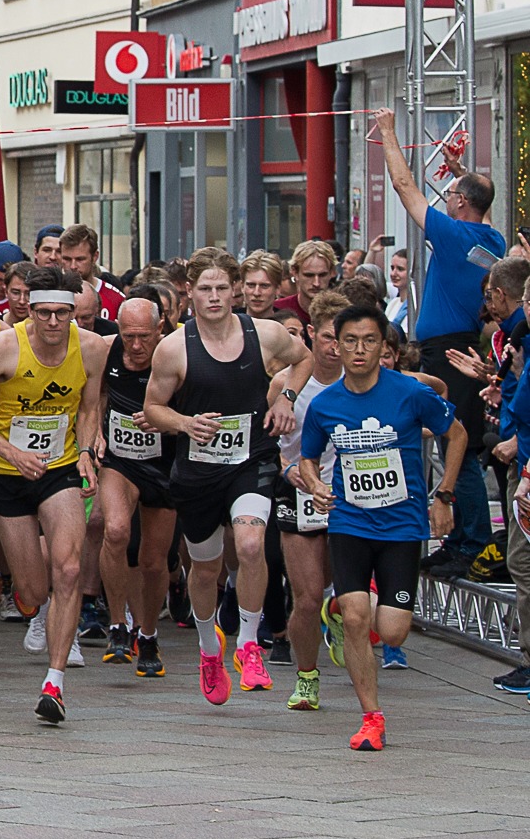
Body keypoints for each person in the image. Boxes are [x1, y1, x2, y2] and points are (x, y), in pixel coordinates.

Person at [143, 247, 308, 707]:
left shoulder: (265, 333)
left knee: (251, 545)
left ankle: (249, 643)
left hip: (250, 459)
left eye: (221, 288)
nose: (214, 297)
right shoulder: (174, 348)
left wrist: (286, 399)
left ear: (235, 290)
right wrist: (184, 423)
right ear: (189, 292)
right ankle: (208, 649)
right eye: (205, 289)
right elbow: (152, 408)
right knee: (206, 567)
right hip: (198, 471)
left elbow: (304, 359)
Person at [301, 304, 462, 751]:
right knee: (357, 618)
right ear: (336, 346)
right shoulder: (325, 404)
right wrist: (315, 484)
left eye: (369, 341)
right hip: (349, 522)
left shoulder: (409, 393)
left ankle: (338, 607)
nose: (359, 350)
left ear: (383, 347)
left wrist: (444, 495)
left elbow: (457, 434)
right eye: (350, 341)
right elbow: (307, 458)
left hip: (402, 526)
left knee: (392, 632)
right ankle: (371, 717)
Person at [0, 266, 109, 725]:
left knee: (69, 568)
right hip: (7, 473)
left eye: (62, 314)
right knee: (32, 589)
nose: (52, 322)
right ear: (28, 309)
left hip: (59, 469)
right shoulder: (2, 348)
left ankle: (54, 682)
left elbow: (89, 408)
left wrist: (86, 452)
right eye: (43, 313)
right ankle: (30, 603)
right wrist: (13, 453)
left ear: (74, 312)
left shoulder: (92, 348)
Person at [375, 110, 504, 582]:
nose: (443, 197)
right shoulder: (491, 237)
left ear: (461, 203)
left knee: (456, 447)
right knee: (455, 445)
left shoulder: (454, 234)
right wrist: (459, 169)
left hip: (449, 351)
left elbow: (404, 187)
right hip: (455, 346)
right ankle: (463, 539)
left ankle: (471, 542)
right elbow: (480, 201)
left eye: (449, 193)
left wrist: (389, 133)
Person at [272, 289, 349, 713]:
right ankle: (306, 677)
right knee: (306, 597)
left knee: (345, 592)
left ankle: (336, 610)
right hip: (299, 490)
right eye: (328, 338)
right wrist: (288, 470)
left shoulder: (363, 381)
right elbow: (263, 443)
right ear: (311, 335)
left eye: (345, 339)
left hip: (348, 494)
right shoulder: (285, 384)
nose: (336, 348)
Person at [94, 297, 176, 677]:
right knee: (115, 531)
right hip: (120, 460)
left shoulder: (177, 354)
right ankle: (117, 626)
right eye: (129, 337)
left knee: (154, 562)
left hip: (163, 466)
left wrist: (167, 421)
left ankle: (149, 634)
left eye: (144, 336)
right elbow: (94, 396)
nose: (137, 345)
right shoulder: (107, 350)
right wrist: (94, 433)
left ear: (160, 329)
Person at [57, 226, 125, 319]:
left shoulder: (115, 300)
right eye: (67, 259)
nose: (73, 266)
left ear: (95, 257)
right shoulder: (49, 296)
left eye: (80, 259)